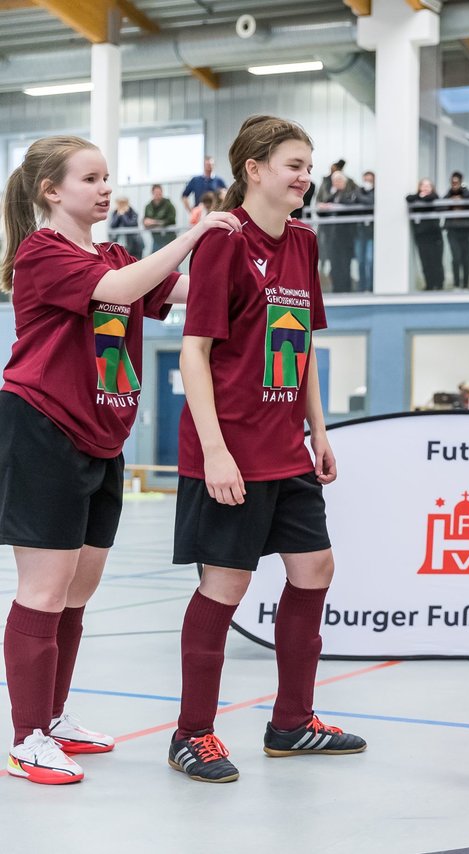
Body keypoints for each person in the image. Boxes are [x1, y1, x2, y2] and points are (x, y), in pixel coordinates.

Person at [1, 135, 240, 785]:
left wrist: (246, 252)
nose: (107, 189)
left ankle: (51, 719)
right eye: (91, 179)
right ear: (52, 191)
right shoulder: (41, 253)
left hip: (103, 436)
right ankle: (26, 739)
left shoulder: (113, 251)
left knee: (78, 591)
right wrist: (191, 235)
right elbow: (124, 285)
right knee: (44, 590)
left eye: (109, 177)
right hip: (43, 427)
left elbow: (180, 293)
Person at [169, 114, 366, 785]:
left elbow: (303, 345)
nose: (305, 177)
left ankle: (291, 722)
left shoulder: (304, 243)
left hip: (287, 449)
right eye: (293, 165)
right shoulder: (222, 242)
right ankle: (191, 733)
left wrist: (318, 429)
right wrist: (217, 452)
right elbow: (194, 352)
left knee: (316, 570)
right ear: (253, 169)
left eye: (308, 166)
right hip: (229, 451)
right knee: (225, 586)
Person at [316, 170, 360, 292]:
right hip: (332, 236)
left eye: (339, 180)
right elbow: (321, 211)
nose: (337, 183)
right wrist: (325, 205)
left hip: (346, 235)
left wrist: (335, 203)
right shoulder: (332, 195)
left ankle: (346, 289)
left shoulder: (350, 192)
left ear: (344, 181)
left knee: (345, 263)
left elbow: (352, 206)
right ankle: (336, 289)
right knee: (334, 263)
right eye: (335, 181)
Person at [443, 172, 469, 289]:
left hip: (467, 230)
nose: (454, 184)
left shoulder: (466, 193)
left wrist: (462, 194)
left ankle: (465, 284)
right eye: (452, 182)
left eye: (456, 182)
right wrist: (451, 197)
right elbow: (441, 205)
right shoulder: (448, 195)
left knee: (466, 259)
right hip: (453, 231)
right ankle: (456, 284)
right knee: (456, 258)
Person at [407, 178, 445, 291]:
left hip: (435, 235)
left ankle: (439, 284)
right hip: (422, 236)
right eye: (423, 185)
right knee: (425, 262)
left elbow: (433, 198)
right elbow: (408, 198)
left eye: (428, 185)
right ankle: (429, 284)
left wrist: (423, 197)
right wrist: (420, 196)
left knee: (436, 261)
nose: (425, 187)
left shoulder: (434, 198)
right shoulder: (416, 198)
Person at [354, 170, 375, 290]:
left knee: (370, 260)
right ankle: (361, 287)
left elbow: (370, 201)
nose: (367, 182)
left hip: (372, 232)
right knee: (361, 261)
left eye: (370, 180)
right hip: (360, 232)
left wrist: (359, 197)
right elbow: (350, 201)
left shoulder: (376, 191)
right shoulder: (358, 190)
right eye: (366, 180)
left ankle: (371, 286)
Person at [143, 184, 177, 252]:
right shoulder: (148, 206)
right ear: (152, 193)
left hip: (169, 239)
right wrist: (147, 222)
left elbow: (171, 220)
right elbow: (146, 221)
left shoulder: (168, 205)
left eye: (159, 193)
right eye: (156, 193)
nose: (158, 195)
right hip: (156, 239)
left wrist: (153, 222)